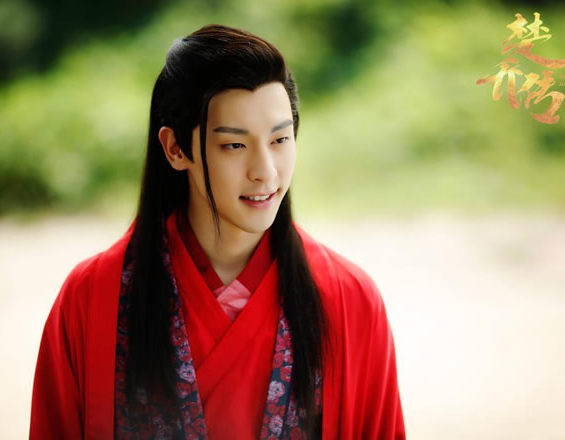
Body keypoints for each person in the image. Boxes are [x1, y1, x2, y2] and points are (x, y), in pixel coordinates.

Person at [29, 24, 405, 440]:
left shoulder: (350, 300)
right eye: (234, 145)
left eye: (280, 139)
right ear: (176, 148)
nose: (265, 172)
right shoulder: (93, 298)